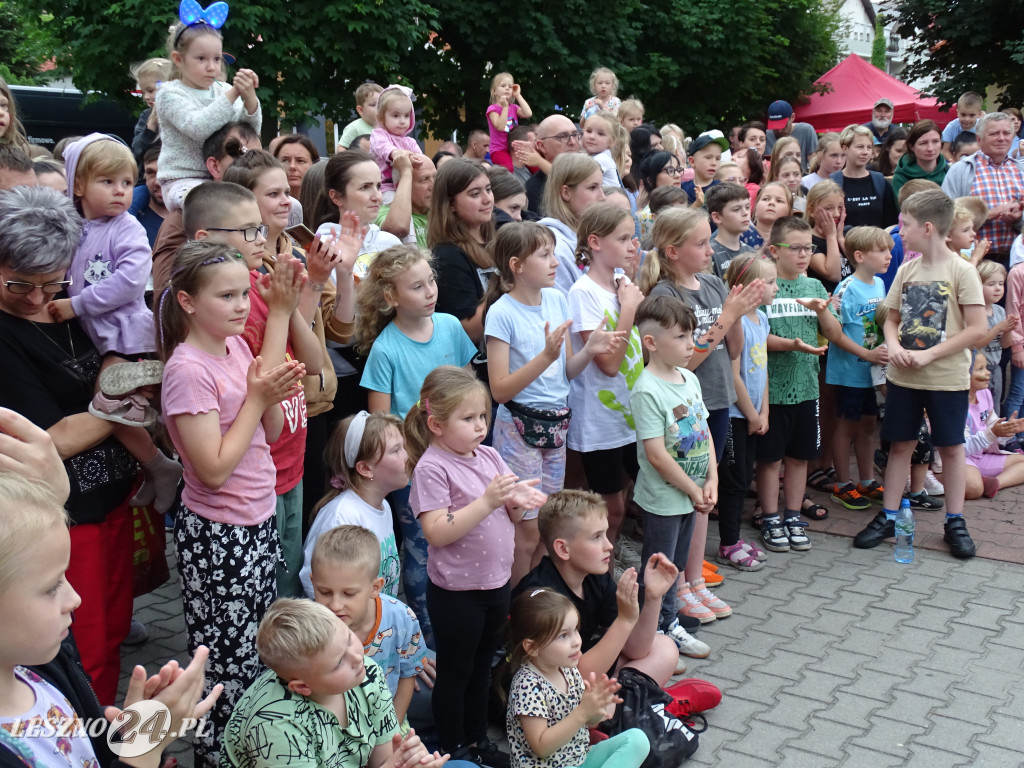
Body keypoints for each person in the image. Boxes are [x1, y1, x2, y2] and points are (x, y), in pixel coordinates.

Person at [156, 239, 306, 766]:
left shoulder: (238, 346)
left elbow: (266, 427)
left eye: (246, 293)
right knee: (226, 664)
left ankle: (253, 749)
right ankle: (221, 756)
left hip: (256, 519)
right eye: (227, 295)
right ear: (187, 301)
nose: (243, 306)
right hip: (222, 534)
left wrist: (281, 318)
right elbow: (214, 470)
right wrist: (261, 397)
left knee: (254, 655)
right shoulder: (186, 370)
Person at [0, 186, 148, 705]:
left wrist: (115, 380)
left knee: (112, 627)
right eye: (21, 284)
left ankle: (106, 736)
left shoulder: (72, 306)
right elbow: (48, 440)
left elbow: (114, 354)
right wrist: (124, 400)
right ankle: (93, 745)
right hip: (64, 515)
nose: (40, 299)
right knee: (81, 641)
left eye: (53, 282)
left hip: (112, 499)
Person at [0, 465, 221, 768]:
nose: (75, 599)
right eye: (52, 587)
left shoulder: (40, 670)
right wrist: (140, 755)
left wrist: (130, 733)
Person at [407, 366, 547, 767]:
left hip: (495, 583)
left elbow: (510, 509)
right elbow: (435, 531)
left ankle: (475, 737)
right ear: (436, 424)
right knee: (456, 671)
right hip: (456, 593)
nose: (479, 426)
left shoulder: (488, 455)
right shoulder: (432, 468)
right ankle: (454, 746)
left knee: (484, 664)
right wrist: (487, 501)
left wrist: (518, 501)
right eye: (468, 419)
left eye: (482, 416)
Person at [216, 153, 331, 599]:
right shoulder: (233, 298)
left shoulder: (267, 275)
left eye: (289, 192)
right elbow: (265, 377)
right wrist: (282, 305)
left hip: (292, 452)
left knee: (288, 574)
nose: (286, 202)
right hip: (264, 460)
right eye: (275, 194)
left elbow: (313, 362)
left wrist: (294, 295)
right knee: (270, 592)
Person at [485, 222, 625, 585]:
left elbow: (566, 372)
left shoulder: (557, 299)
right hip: (519, 427)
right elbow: (499, 390)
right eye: (544, 255)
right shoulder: (502, 313)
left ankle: (542, 596)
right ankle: (517, 607)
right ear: (516, 265)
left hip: (556, 425)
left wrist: (589, 350)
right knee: (526, 531)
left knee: (547, 528)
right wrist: (546, 358)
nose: (554, 262)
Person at [640, 207, 762, 611]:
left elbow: (734, 350)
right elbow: (684, 361)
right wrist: (726, 316)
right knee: (684, 497)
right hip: (687, 403)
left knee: (705, 495)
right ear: (673, 251)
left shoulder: (710, 282)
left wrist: (737, 315)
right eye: (701, 243)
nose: (710, 250)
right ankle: (675, 590)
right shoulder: (665, 295)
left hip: (715, 398)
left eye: (710, 240)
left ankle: (693, 579)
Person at [853, 189, 986, 559]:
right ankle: (889, 515)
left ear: (927, 228)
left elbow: (977, 328)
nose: (900, 230)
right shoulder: (908, 269)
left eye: (905, 224)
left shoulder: (963, 271)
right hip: (904, 379)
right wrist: (893, 346)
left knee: (951, 448)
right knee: (900, 446)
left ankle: (955, 521)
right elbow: (891, 317)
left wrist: (930, 356)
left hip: (945, 379)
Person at [357, 245, 478, 647]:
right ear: (391, 297)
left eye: (431, 281)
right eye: (416, 286)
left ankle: (462, 613)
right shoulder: (386, 349)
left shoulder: (449, 326)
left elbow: (468, 395)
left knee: (460, 536)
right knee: (421, 547)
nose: (430, 291)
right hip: (414, 469)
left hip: (459, 458)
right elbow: (381, 423)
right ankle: (427, 634)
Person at [221, 598, 450, 768]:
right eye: (339, 662)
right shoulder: (274, 727)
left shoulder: (366, 672)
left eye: (349, 638)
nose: (357, 657)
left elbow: (382, 759)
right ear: (302, 687)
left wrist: (407, 761)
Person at [629, 293, 722, 650]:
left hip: (691, 493)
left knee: (678, 562)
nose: (691, 344)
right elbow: (656, 455)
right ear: (651, 342)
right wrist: (693, 489)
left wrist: (711, 478)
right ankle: (652, 633)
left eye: (691, 335)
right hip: (666, 497)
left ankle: (667, 621)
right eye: (681, 337)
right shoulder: (647, 390)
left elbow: (704, 432)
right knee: (660, 565)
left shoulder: (688, 378)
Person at [515, 490, 683, 686]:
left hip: (579, 671)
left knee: (664, 648)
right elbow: (573, 678)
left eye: (605, 534)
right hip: (545, 690)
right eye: (596, 537)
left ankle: (620, 708)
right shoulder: (543, 596)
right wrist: (625, 620)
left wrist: (654, 598)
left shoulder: (594, 578)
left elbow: (635, 649)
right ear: (563, 549)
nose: (609, 545)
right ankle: (623, 709)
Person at [756, 216, 843, 553]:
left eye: (809, 248)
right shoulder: (765, 285)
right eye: (796, 248)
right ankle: (769, 516)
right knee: (770, 458)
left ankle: (793, 515)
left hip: (807, 387)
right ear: (775, 250)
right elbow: (753, 337)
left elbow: (832, 333)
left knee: (799, 456)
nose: (804, 254)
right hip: (772, 391)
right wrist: (790, 344)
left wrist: (822, 311)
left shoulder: (814, 287)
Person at [504, 589, 650, 768]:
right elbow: (541, 747)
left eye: (575, 630)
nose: (576, 641)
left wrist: (595, 709)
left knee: (637, 740)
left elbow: (589, 723)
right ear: (532, 647)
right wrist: (582, 712)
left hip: (579, 760)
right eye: (563, 635)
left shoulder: (568, 670)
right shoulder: (527, 685)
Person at [568, 204, 644, 548]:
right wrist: (628, 308)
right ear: (595, 243)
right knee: (609, 506)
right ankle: (601, 566)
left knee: (627, 492)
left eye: (633, 237)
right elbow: (609, 363)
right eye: (623, 238)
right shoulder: (583, 293)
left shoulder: (622, 282)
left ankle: (609, 555)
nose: (632, 245)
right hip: (601, 422)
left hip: (630, 414)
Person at [309, 525, 432, 731]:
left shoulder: (401, 618)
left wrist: (392, 728)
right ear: (313, 582)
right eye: (324, 592)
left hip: (386, 715)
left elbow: (407, 675)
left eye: (348, 594)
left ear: (375, 587)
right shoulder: (310, 625)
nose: (335, 605)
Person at [156, 16, 261, 210]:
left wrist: (250, 99)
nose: (212, 67)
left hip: (224, 177)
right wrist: (234, 93)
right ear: (178, 59)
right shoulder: (169, 93)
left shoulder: (224, 91)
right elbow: (198, 127)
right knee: (210, 205)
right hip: (182, 180)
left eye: (217, 59)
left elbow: (247, 133)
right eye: (201, 58)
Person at [301, 411, 407, 599]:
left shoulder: (383, 505)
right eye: (396, 450)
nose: (407, 456)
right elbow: (315, 584)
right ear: (366, 468)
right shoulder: (342, 517)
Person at [151, 120, 262, 293]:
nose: (253, 166)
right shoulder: (186, 215)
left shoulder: (269, 207)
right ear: (214, 166)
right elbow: (169, 298)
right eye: (242, 156)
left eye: (258, 157)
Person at [825, 226, 892, 510]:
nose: (889, 255)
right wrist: (867, 353)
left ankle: (866, 480)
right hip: (850, 371)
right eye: (882, 251)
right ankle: (842, 484)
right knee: (846, 426)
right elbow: (833, 332)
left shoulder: (879, 284)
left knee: (867, 425)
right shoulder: (846, 288)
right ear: (859, 256)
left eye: (889, 249)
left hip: (872, 373)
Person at [717, 253, 775, 571]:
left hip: (753, 415)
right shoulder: (737, 323)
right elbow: (734, 374)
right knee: (735, 481)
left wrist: (764, 412)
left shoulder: (761, 318)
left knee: (744, 477)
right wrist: (752, 415)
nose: (775, 287)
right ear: (748, 286)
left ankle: (735, 539)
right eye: (769, 282)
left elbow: (762, 371)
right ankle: (728, 543)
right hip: (736, 416)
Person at [428, 158, 496, 344]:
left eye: (488, 190)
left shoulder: (497, 239)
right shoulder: (447, 255)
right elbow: (467, 331)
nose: (487, 199)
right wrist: (511, 286)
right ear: (450, 204)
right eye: (475, 194)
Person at [942, 112, 1024, 263]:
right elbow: (945, 217)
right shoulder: (961, 170)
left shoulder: (1020, 170)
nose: (1001, 138)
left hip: (1016, 260)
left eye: (1006, 133)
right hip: (973, 261)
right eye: (994, 133)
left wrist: (1018, 219)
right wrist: (989, 214)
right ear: (979, 139)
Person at [540, 154, 606, 293]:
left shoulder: (595, 234)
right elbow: (568, 306)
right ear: (566, 192)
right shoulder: (553, 246)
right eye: (593, 187)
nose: (602, 197)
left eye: (601, 186)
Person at [962, 352, 1024, 499]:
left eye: (986, 367)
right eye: (980, 369)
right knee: (974, 489)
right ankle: (940, 477)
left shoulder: (984, 393)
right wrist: (993, 433)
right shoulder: (955, 403)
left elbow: (992, 424)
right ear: (964, 374)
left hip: (980, 456)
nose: (987, 372)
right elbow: (960, 449)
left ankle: (995, 483)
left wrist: (1007, 429)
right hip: (960, 458)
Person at [830, 124, 898, 229]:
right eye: (860, 147)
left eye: (869, 147)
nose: (865, 152)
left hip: (877, 243)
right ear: (845, 149)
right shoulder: (833, 182)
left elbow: (891, 222)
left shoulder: (881, 182)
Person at [370, 85, 426, 204]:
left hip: (409, 186)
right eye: (396, 116)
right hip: (385, 188)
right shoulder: (379, 135)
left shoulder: (410, 142)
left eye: (406, 115)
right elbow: (383, 147)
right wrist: (395, 153)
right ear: (381, 117)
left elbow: (422, 160)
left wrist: (419, 160)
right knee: (400, 208)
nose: (402, 121)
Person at [976, 261, 1015, 411]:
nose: (998, 288)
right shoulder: (976, 312)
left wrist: (1009, 329)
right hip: (977, 370)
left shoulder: (1000, 310)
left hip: (996, 368)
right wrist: (998, 327)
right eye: (991, 284)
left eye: (1001, 283)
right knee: (979, 409)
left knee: (994, 408)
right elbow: (976, 343)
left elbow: (1005, 345)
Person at [526, 114, 582, 214]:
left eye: (575, 134)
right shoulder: (533, 188)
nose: (572, 142)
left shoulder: (592, 171)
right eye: (562, 136)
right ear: (541, 146)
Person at [378, 153, 435, 246]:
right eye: (424, 179)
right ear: (401, 185)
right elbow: (397, 228)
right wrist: (406, 172)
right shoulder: (384, 213)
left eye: (436, 177)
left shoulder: (444, 212)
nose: (433, 185)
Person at [129, 57, 172, 167]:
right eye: (143, 92)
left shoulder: (183, 112)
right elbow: (136, 151)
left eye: (150, 91)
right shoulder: (146, 116)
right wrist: (151, 126)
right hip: (150, 176)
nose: (146, 97)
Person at [487, 72, 533, 172]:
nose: (507, 88)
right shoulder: (492, 109)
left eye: (510, 86)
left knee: (535, 166)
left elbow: (528, 113)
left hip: (514, 148)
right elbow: (500, 126)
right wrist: (505, 107)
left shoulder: (513, 107)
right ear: (494, 91)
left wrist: (518, 95)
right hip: (499, 150)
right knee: (508, 169)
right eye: (503, 86)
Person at [892, 120, 949, 200]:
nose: (930, 148)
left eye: (935, 141)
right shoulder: (901, 178)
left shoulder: (950, 172)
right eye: (923, 143)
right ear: (911, 146)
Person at [707, 182, 755, 277]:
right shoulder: (709, 254)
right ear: (717, 217)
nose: (745, 213)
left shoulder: (752, 253)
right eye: (736, 209)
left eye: (747, 207)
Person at [764, 100, 818, 170]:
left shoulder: (806, 130)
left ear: (792, 117)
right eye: (775, 126)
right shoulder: (764, 136)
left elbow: (813, 161)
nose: (779, 130)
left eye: (783, 125)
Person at [133, 145, 167, 246]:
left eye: (164, 172)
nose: (157, 182)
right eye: (151, 172)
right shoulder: (131, 220)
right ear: (144, 176)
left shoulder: (192, 220)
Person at [681, 132, 727, 205]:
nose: (714, 163)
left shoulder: (723, 189)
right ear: (692, 161)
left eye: (718, 158)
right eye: (708, 158)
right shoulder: (682, 189)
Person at [272, 132, 320, 203]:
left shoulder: (327, 204)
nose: (292, 166)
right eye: (285, 160)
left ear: (314, 165)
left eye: (300, 161)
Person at [582, 111, 625, 187]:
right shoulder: (590, 156)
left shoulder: (602, 159)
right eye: (589, 131)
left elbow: (577, 174)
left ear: (612, 142)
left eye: (600, 134)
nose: (592, 137)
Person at [940, 91, 985, 160]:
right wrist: (954, 163)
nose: (967, 119)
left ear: (979, 114)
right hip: (956, 159)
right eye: (963, 115)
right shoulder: (952, 127)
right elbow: (945, 150)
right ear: (957, 112)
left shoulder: (983, 127)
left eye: (972, 115)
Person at [339, 82, 383, 150]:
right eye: (373, 105)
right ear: (361, 110)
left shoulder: (386, 127)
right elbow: (341, 148)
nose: (379, 108)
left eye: (382, 104)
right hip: (361, 160)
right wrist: (352, 160)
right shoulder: (354, 128)